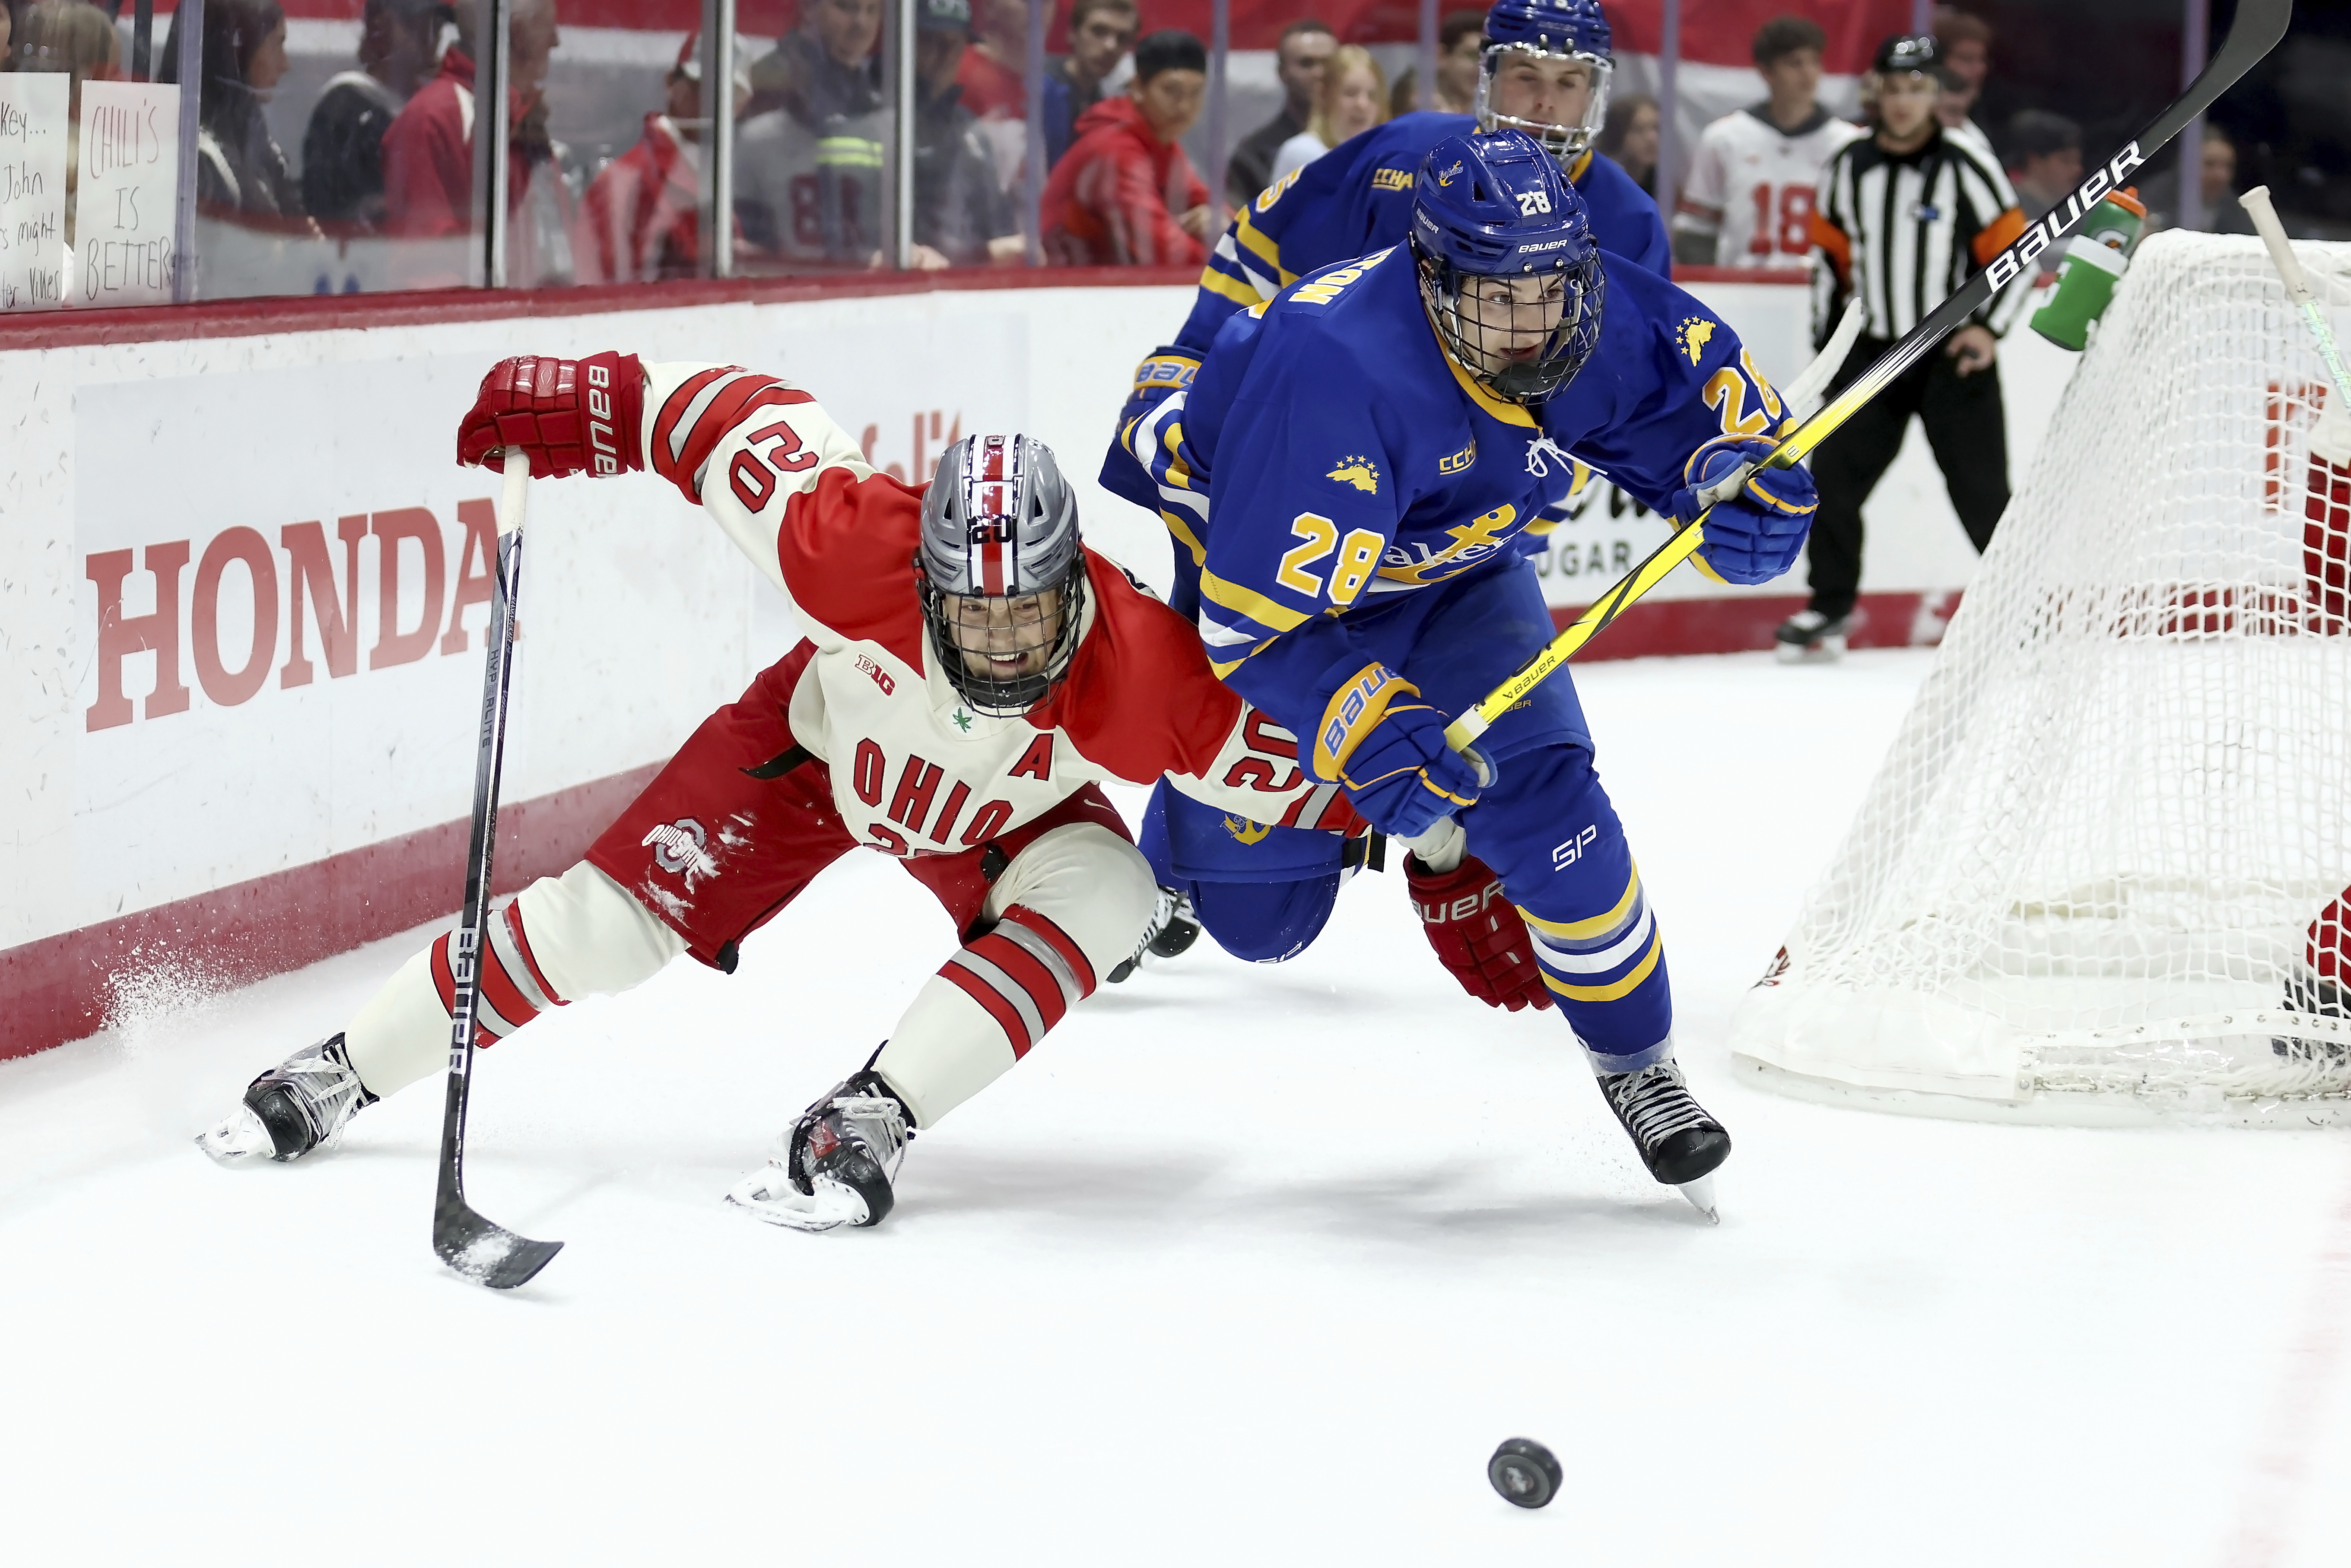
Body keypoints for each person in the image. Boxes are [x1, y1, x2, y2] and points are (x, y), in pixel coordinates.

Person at [195, 356, 1358, 1232]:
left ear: (1076, 589)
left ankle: (871, 1113)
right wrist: (607, 400)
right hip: (810, 759)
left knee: (1112, 893)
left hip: (1004, 819)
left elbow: (1332, 774)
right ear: (924, 575)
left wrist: (1461, 820)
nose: (1004, 645)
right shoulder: (848, 543)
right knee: (601, 930)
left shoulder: (1146, 672)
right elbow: (727, 422)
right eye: (974, 611)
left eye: (1030, 612)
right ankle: (345, 1065)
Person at [1121, 130, 1817, 1207]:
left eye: (1551, 288)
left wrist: (1739, 481)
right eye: (1497, 298)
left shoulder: (1576, 304)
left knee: (1553, 810)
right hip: (1279, 588)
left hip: (1456, 577)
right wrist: (1358, 717)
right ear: (1432, 276)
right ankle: (1185, 834)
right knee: (1263, 924)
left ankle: (1641, 1066)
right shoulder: (1335, 368)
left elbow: (1706, 414)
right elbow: (1254, 628)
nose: (1532, 325)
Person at [1102, 0, 1671, 974]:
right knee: (1259, 903)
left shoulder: (1625, 224)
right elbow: (1257, 244)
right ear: (1484, 77)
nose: (1544, 102)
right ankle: (1155, 868)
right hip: (1286, 490)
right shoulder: (1401, 157)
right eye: (1526, 74)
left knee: (1451, 746)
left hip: (1444, 538)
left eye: (1570, 81)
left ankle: (1444, 846)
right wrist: (1196, 362)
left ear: (1601, 94)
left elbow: (1620, 399)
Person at [1782, 33, 2028, 664]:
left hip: (1950, 356)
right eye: (1892, 87)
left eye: (1915, 88)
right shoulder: (1846, 166)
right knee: (1831, 482)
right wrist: (1828, 350)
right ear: (1876, 92)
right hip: (1874, 355)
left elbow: (2014, 253)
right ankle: (1828, 608)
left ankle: (2027, 611)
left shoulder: (1965, 164)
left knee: (1981, 493)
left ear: (1933, 94)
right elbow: (1827, 264)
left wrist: (1986, 328)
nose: (1901, 101)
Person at [1671, 15, 1862, 268]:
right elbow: (1695, 231)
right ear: (1766, 71)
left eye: (1814, 62)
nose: (1809, 74)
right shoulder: (1725, 138)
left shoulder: (1848, 143)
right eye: (1795, 64)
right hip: (1744, 289)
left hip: (1821, 289)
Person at [574, 33, 752, 286]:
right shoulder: (627, 181)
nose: (714, 104)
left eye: (730, 94)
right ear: (671, 83)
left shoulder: (721, 175)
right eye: (701, 87)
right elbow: (599, 291)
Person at [380, 0, 561, 242]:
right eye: (547, 27)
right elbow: (425, 267)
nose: (555, 41)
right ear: (517, 34)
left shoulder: (525, 124)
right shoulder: (432, 119)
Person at [1039, 29, 1210, 268]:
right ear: (1138, 87)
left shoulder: (1160, 139)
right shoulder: (1115, 149)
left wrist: (1225, 223)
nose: (1185, 107)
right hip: (1067, 287)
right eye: (1171, 91)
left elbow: (1209, 203)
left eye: (1196, 94)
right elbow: (1166, 251)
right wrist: (1237, 261)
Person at [734, 40, 890, 268]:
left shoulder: (885, 132)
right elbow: (749, 241)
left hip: (872, 288)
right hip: (786, 291)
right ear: (791, 65)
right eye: (807, 59)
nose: (816, 74)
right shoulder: (755, 139)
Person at [300, 0, 448, 230]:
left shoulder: (437, 110)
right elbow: (328, 211)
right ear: (381, 26)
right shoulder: (343, 109)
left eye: (436, 26)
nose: (430, 37)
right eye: (413, 25)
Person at [159, 0, 305, 221]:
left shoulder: (253, 136)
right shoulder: (194, 162)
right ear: (236, 49)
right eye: (277, 44)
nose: (286, 64)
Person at [910, 0, 1024, 267]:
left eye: (955, 44)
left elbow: (999, 231)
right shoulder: (878, 117)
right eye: (932, 41)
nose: (945, 55)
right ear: (906, 41)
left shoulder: (970, 129)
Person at [1226, 19, 1333, 210]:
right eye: (1306, 63)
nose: (1319, 73)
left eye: (1328, 63)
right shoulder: (1252, 158)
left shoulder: (1365, 142)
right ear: (1282, 72)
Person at [1268, 44, 1388, 185]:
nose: (1362, 104)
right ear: (1323, 95)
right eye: (1350, 93)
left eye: (1373, 96)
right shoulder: (1303, 152)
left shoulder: (1385, 160)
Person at [748, 0, 882, 124]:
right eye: (846, 7)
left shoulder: (876, 89)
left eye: (872, 10)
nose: (862, 22)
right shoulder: (776, 83)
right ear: (808, 8)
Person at [1040, 0, 1137, 170]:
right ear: (1072, 33)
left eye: (1122, 39)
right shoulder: (1040, 86)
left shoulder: (1104, 104)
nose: (1110, 46)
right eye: (1099, 32)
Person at [2003, 108, 2080, 278]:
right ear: (2035, 161)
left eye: (2077, 161)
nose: (2077, 170)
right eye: (2066, 161)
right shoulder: (2006, 204)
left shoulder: (2080, 207)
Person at [1388, 8, 1487, 119]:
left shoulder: (1485, 119)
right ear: (1442, 56)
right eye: (1472, 55)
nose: (1481, 67)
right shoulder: (1417, 100)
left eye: (1488, 59)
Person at [1929, 5, 1993, 156]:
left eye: (1982, 60)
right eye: (1967, 59)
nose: (1979, 69)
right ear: (1939, 61)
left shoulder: (1986, 120)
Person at [2179, 125, 2254, 235]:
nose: (2221, 176)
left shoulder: (2235, 209)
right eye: (2210, 164)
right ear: (2185, 165)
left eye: (2228, 166)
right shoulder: (2157, 198)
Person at [1596, 90, 1657, 198]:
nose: (1652, 138)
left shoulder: (1663, 184)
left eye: (1656, 128)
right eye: (1639, 130)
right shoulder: (1601, 182)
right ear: (1618, 135)